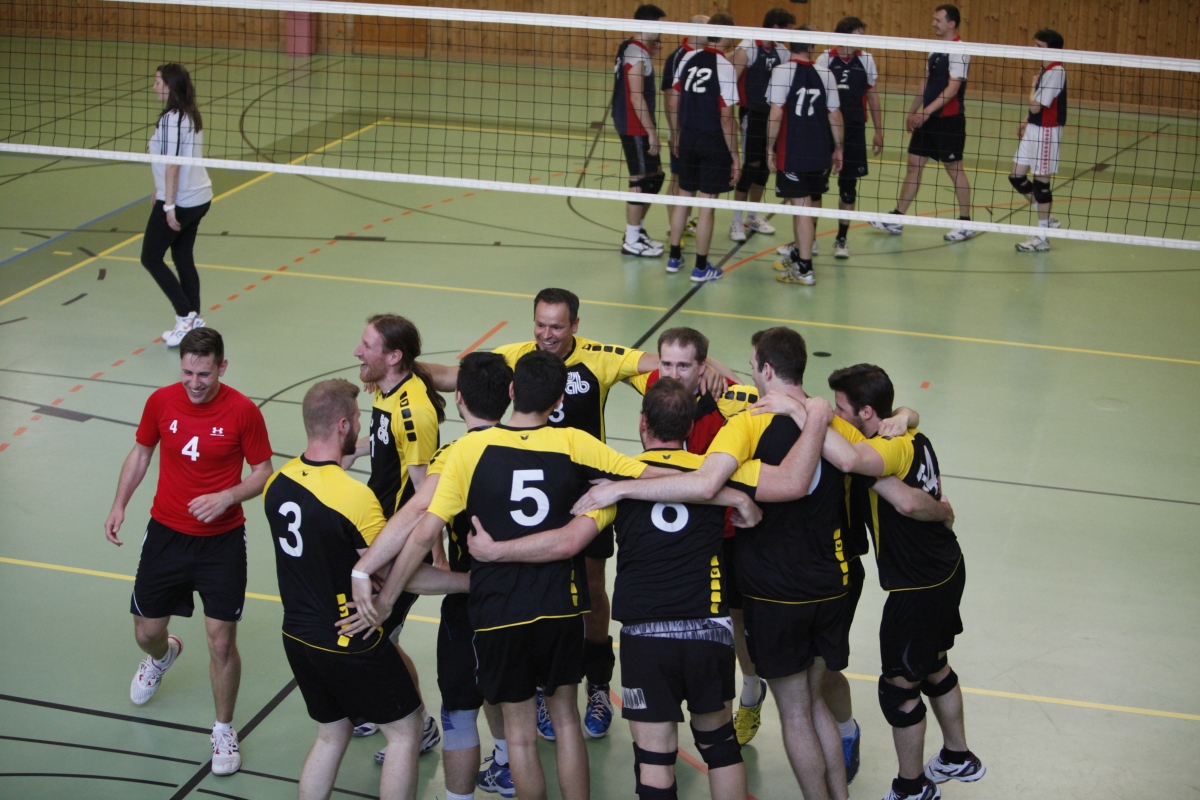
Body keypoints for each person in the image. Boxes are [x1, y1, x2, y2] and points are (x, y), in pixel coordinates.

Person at [424, 288, 736, 742]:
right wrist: (401, 365)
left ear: (575, 325)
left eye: (556, 326)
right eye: (540, 324)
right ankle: (541, 686)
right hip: (534, 494)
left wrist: (715, 369)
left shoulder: (599, 358)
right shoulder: (515, 356)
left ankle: (597, 683)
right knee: (536, 583)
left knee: (590, 587)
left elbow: (666, 362)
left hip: (590, 495)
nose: (546, 334)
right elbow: (453, 376)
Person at [469, 378, 770, 800]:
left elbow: (568, 542)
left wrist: (495, 551)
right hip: (709, 629)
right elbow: (792, 481)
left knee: (655, 758)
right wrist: (741, 499)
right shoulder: (716, 475)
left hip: (646, 636)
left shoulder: (613, 483)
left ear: (643, 423)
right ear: (689, 428)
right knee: (720, 746)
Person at [386, 350, 663, 800]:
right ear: (558, 401)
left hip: (499, 609)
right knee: (566, 720)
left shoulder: (469, 449)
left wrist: (384, 595)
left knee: (519, 737)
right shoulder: (574, 442)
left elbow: (422, 533)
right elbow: (651, 474)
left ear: (512, 391)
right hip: (560, 604)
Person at [263, 378, 468, 800]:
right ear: (342, 425)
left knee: (330, 735)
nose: (360, 425)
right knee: (406, 733)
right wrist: (466, 582)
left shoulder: (278, 483)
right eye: (357, 418)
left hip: (297, 636)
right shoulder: (353, 497)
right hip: (348, 637)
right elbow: (400, 574)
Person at [342, 352, 518, 800]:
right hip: (530, 600)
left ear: (459, 399)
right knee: (516, 705)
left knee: (460, 711)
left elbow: (418, 519)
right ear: (511, 395)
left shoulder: (453, 455)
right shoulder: (544, 445)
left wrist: (374, 578)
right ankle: (506, 762)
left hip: (475, 602)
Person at [104, 327, 273, 776]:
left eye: (204, 374)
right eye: (187, 373)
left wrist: (228, 496)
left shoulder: (243, 411)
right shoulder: (161, 402)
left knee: (221, 641)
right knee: (146, 631)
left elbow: (263, 471)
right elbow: (142, 453)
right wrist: (120, 504)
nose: (195, 383)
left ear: (222, 367)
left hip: (222, 542)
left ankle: (223, 729)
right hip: (166, 536)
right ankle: (162, 656)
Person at [815, 364, 983, 800]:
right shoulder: (912, 434)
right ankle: (957, 755)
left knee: (898, 689)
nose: (835, 413)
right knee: (935, 665)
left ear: (867, 412)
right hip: (947, 567)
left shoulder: (885, 450)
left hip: (916, 588)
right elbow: (906, 426)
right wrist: (907, 413)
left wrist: (806, 413)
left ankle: (912, 787)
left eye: (841, 408)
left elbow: (871, 475)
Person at [345, 314, 446, 761]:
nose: (357, 351)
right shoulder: (384, 390)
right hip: (377, 528)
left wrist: (436, 556)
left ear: (393, 356)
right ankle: (385, 706)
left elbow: (427, 491)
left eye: (367, 345)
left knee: (379, 636)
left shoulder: (415, 410)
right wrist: (344, 453)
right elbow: (385, 442)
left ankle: (419, 725)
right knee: (375, 634)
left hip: (400, 541)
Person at [870, 4, 978, 243]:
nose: (933, 23)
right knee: (914, 164)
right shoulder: (935, 49)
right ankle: (897, 217)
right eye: (934, 19)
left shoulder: (960, 51)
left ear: (951, 23)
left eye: (938, 20)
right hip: (927, 119)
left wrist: (926, 111)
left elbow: (953, 88)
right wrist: (913, 110)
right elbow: (925, 82)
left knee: (954, 169)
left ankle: (966, 223)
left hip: (948, 120)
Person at [142, 63, 214, 347]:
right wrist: (159, 188)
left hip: (181, 201)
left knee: (150, 257)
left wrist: (168, 205)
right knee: (183, 257)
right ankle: (193, 323)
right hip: (200, 197)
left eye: (158, 82)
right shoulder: (190, 113)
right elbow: (172, 161)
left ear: (170, 86)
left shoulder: (171, 119)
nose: (154, 87)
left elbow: (173, 165)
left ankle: (185, 316)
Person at [665, 14, 740, 282]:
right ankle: (700, 267)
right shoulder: (725, 67)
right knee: (707, 204)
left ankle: (674, 257)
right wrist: (735, 157)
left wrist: (677, 134)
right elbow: (727, 118)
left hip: (688, 137)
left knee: (684, 196)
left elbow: (672, 102)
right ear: (726, 34)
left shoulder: (688, 58)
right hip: (713, 140)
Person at [767, 32, 844, 286]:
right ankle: (801, 253)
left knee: (800, 208)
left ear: (791, 45)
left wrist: (769, 146)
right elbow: (835, 115)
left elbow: (776, 113)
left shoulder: (782, 71)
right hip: (820, 151)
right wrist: (838, 148)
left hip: (793, 151)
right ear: (811, 47)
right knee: (807, 206)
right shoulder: (826, 73)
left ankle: (805, 268)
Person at [816, 17, 884, 259]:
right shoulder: (825, 58)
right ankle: (809, 238)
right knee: (816, 186)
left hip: (854, 129)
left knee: (848, 188)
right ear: (844, 35)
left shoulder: (866, 59)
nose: (862, 39)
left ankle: (841, 239)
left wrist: (879, 130)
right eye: (858, 33)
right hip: (826, 129)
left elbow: (873, 96)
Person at [728, 8, 794, 244]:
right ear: (776, 27)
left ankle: (752, 217)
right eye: (787, 29)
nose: (790, 34)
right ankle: (736, 221)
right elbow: (730, 82)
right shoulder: (748, 47)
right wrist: (729, 116)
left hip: (773, 115)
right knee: (750, 166)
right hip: (751, 114)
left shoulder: (781, 51)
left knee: (765, 166)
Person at [614, 4, 668, 258]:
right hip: (633, 123)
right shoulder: (636, 52)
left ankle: (637, 231)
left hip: (637, 121)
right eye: (659, 25)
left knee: (656, 175)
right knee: (640, 178)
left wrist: (651, 53)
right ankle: (631, 240)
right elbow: (636, 97)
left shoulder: (631, 46)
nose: (662, 30)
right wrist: (652, 132)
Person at [1010, 28, 1067, 253]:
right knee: (1016, 176)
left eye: (1039, 46)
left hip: (1046, 132)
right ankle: (1047, 217)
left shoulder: (1056, 71)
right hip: (1035, 128)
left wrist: (1032, 87)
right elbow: (1036, 109)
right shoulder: (1046, 68)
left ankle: (1042, 237)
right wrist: (1027, 120)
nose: (1035, 49)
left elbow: (1036, 105)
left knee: (1041, 184)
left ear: (1051, 49)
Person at [661, 15, 709, 241]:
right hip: (682, 129)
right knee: (678, 177)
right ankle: (674, 228)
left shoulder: (707, 55)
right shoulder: (678, 57)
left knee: (692, 178)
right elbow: (670, 98)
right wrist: (675, 133)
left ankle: (685, 221)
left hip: (700, 128)